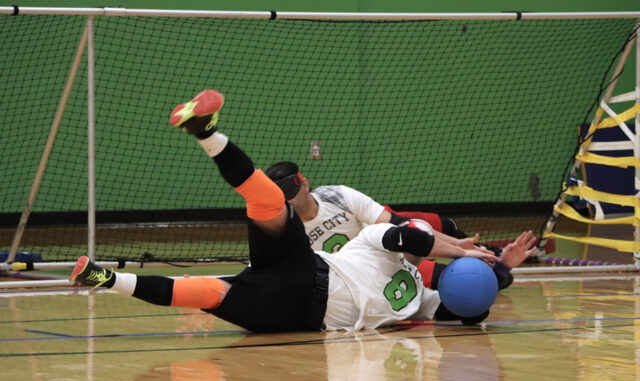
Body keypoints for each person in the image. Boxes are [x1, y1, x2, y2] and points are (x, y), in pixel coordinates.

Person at [70, 89, 536, 332]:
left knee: (206, 294)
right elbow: (408, 237)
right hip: (306, 269)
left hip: (297, 318)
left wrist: (499, 274)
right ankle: (207, 132)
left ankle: (104, 281)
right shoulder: (377, 239)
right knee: (270, 201)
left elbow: (468, 313)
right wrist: (464, 253)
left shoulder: (424, 299)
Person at [264, 161, 495, 290]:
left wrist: (456, 244)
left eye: (291, 193)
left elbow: (400, 224)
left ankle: (476, 248)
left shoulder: (338, 195)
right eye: (282, 198)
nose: (289, 201)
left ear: (305, 184)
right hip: (355, 281)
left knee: (426, 224)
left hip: (384, 254)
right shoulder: (281, 228)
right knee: (469, 285)